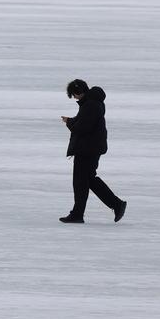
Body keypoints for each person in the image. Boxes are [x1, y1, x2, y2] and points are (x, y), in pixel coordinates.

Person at [59, 79, 127, 224]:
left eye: (74, 95)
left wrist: (70, 123)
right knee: (86, 181)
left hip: (88, 149)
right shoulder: (91, 103)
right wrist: (71, 120)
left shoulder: (90, 105)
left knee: (81, 182)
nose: (75, 98)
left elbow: (82, 127)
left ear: (79, 92)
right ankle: (113, 205)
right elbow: (83, 122)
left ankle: (114, 205)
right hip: (90, 148)